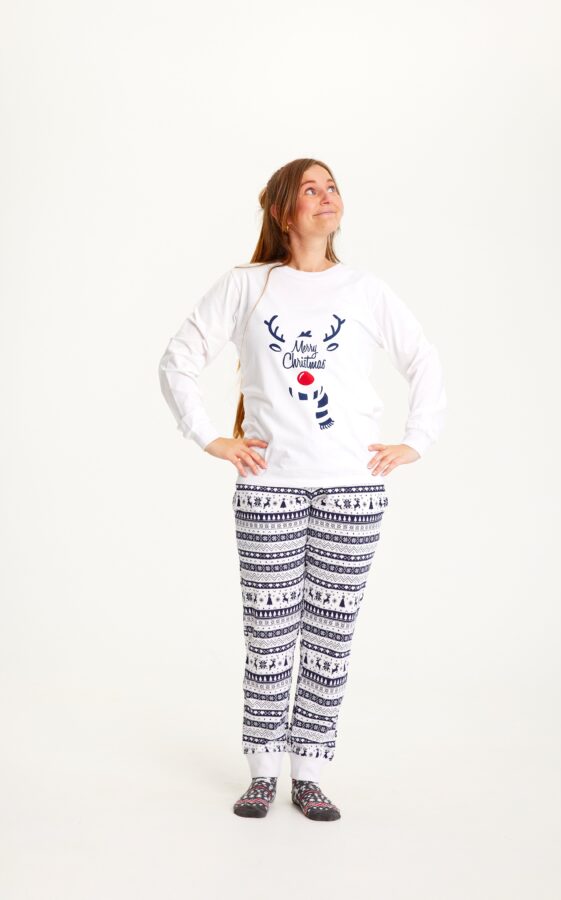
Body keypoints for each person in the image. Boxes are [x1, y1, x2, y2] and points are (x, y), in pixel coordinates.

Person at [158, 158, 447, 821]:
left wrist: (417, 439)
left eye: (332, 186)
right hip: (270, 489)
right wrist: (210, 437)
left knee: (329, 641)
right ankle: (263, 771)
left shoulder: (365, 290)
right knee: (269, 636)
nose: (326, 197)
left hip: (352, 491)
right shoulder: (247, 286)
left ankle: (310, 774)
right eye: (310, 189)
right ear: (282, 211)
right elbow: (178, 359)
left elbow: (422, 358)